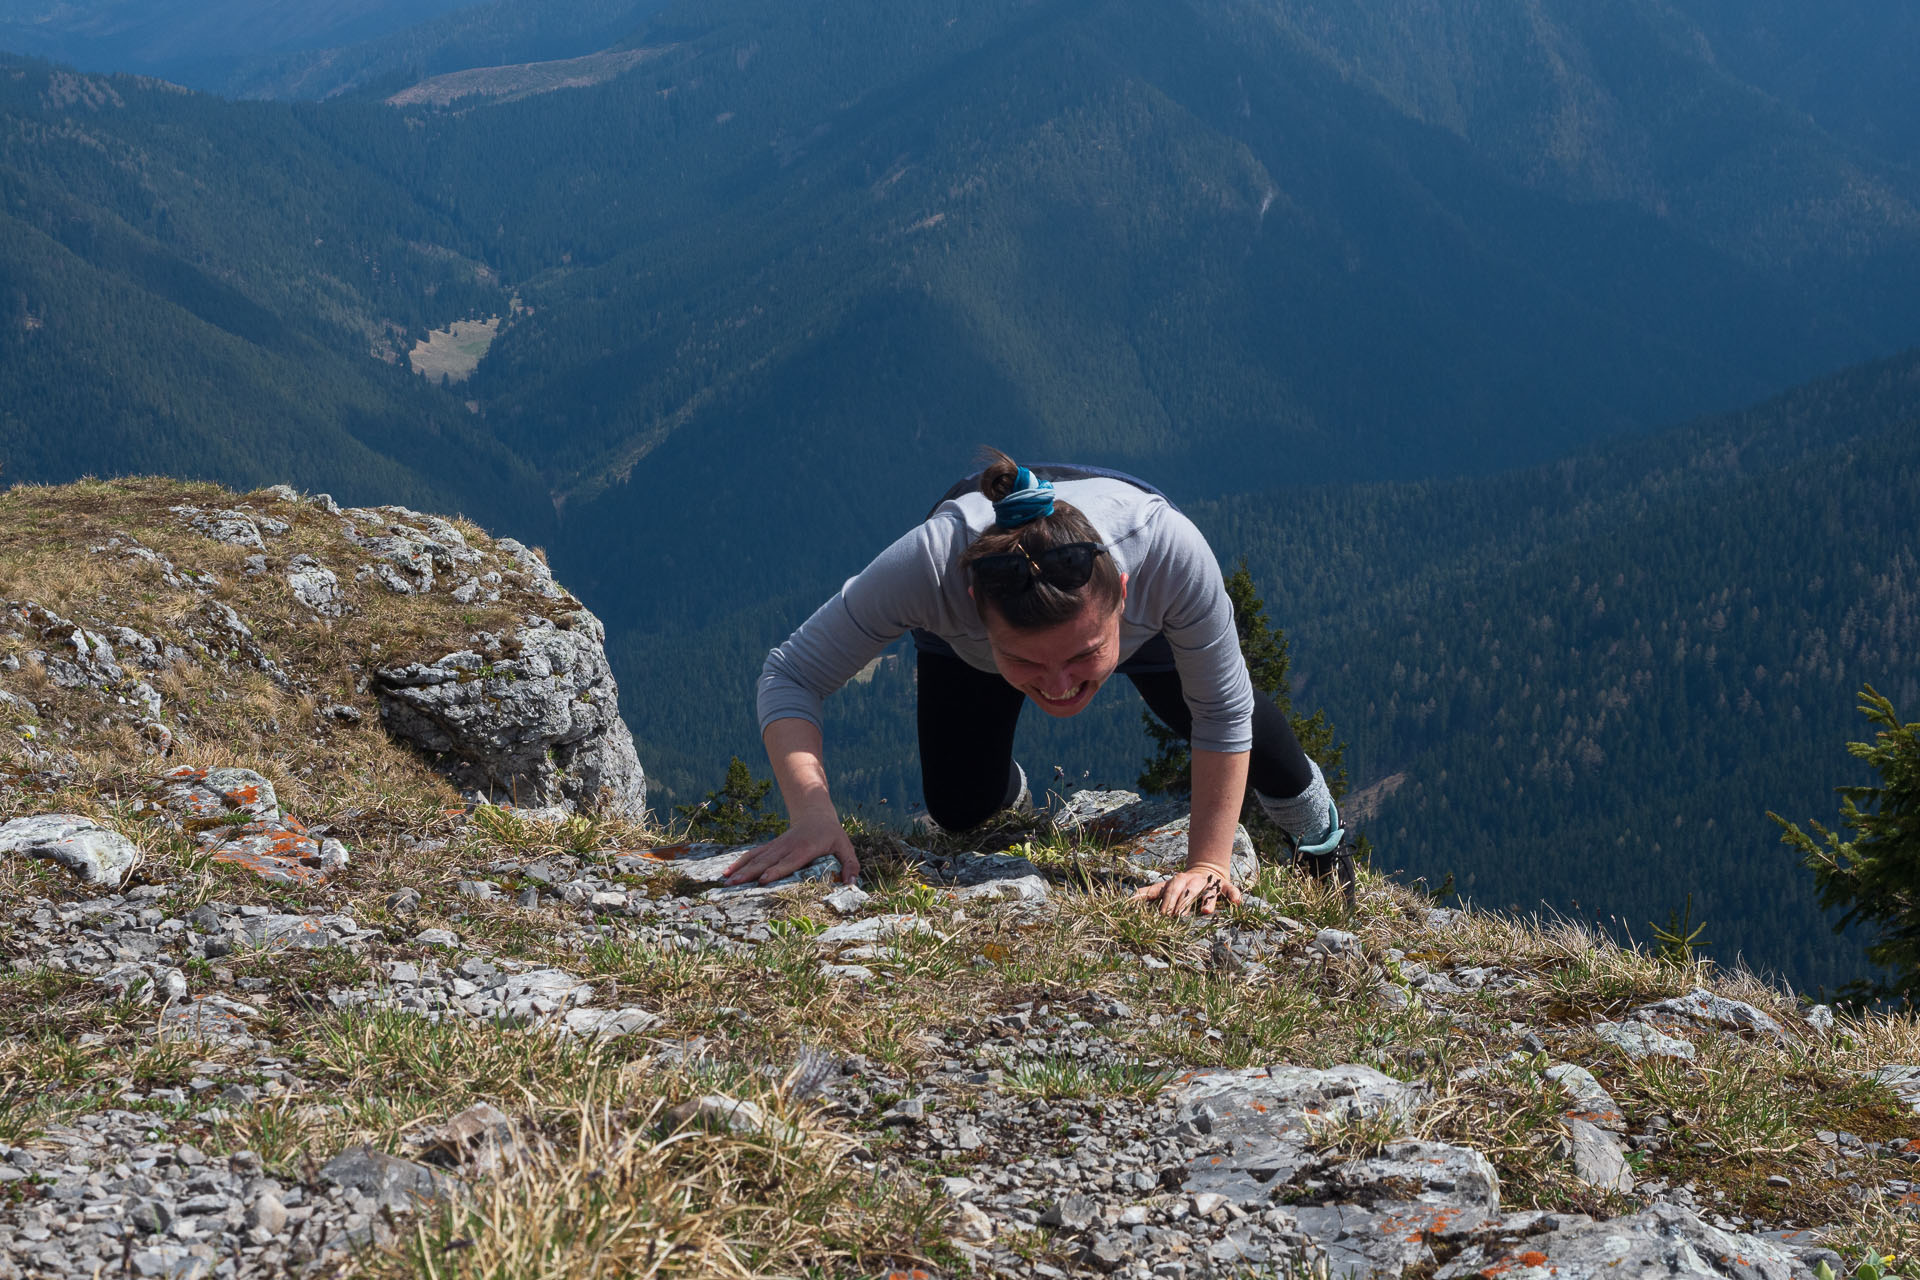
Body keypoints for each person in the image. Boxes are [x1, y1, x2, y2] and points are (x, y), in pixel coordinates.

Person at [724, 450, 1346, 915]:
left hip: (1135, 626)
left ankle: (1322, 839)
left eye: (1082, 657)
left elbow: (1223, 714)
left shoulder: (1165, 553)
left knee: (1248, 735)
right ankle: (1015, 787)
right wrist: (811, 814)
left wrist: (1208, 862)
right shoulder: (930, 569)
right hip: (981, 643)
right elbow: (792, 672)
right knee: (960, 807)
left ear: (1122, 596)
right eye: (1028, 664)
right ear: (972, 603)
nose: (1058, 687)